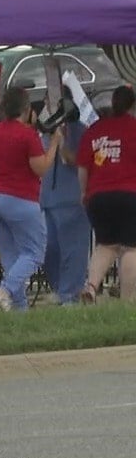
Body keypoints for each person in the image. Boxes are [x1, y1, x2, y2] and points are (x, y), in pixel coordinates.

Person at [0, 86, 62, 311]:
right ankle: (6, 289)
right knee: (34, 252)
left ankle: (19, 309)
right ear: (26, 109)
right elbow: (40, 168)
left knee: (11, 255)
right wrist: (54, 143)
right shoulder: (27, 135)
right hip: (20, 199)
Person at [78, 85, 136, 302]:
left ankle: (91, 286)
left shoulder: (94, 130)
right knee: (131, 248)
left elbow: (82, 167)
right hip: (130, 195)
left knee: (106, 245)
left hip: (98, 197)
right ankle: (128, 301)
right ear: (132, 105)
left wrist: (84, 192)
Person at [39, 109, 90, 305]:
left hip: (72, 198)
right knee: (50, 250)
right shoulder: (47, 130)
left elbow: (78, 159)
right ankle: (59, 288)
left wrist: (61, 144)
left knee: (73, 251)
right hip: (49, 199)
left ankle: (70, 294)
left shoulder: (80, 131)